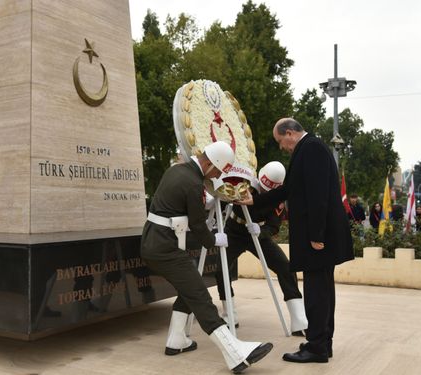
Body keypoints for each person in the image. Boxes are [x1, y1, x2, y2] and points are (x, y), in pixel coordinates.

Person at [141, 141, 273, 373]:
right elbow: (198, 225)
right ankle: (235, 353)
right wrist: (213, 240)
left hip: (155, 241)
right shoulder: (193, 183)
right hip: (165, 246)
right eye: (218, 171)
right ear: (210, 164)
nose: (218, 176)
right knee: (199, 295)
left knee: (189, 287)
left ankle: (176, 340)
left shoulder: (176, 170)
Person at [236, 118, 354, 364]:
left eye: (281, 141)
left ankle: (317, 347)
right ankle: (321, 343)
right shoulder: (309, 148)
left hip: (318, 239)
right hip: (319, 237)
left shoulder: (311, 148)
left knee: (316, 293)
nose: (282, 147)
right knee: (321, 291)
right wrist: (254, 201)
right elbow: (290, 189)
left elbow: (319, 195)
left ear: (289, 133)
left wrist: (316, 236)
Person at [214, 162, 308, 336]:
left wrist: (261, 231)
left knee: (285, 267)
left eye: (268, 191)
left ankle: (299, 320)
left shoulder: (278, 199)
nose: (263, 193)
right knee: (221, 269)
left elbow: (274, 226)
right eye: (262, 188)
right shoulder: (245, 182)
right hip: (234, 230)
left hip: (257, 235)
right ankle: (229, 316)